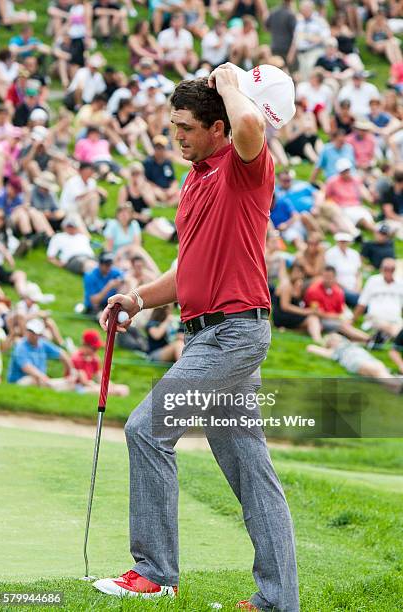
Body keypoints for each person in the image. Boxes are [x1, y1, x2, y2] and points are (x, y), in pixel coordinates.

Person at [95, 68, 299, 610]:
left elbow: (252, 122)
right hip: (212, 334)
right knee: (252, 473)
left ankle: (156, 574)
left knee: (145, 428)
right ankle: (278, 601)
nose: (177, 136)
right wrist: (138, 297)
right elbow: (189, 267)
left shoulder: (244, 168)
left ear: (218, 127)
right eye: (172, 127)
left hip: (233, 335)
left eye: (186, 127)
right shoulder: (195, 179)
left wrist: (231, 81)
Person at [307, 333, 402, 391]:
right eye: (333, 339)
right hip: (357, 362)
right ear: (330, 343)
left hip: (370, 361)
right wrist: (323, 343)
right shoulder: (333, 351)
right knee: (377, 370)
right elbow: (310, 348)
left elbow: (370, 342)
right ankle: (398, 384)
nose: (338, 339)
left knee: (379, 375)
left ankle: (397, 387)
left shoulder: (352, 344)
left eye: (339, 337)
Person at [7, 318, 75, 390]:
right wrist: (45, 379)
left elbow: (62, 354)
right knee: (32, 380)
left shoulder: (43, 343)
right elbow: (26, 368)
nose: (31, 334)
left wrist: (71, 371)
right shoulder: (20, 346)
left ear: (40, 334)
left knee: (69, 383)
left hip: (41, 380)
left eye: (34, 332)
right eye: (30, 331)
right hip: (20, 381)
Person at [304, 265, 369, 340]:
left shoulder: (338, 292)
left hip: (332, 320)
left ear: (335, 278)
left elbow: (340, 311)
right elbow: (316, 312)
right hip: (319, 319)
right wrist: (337, 317)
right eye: (325, 277)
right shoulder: (313, 290)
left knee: (345, 325)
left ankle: (368, 339)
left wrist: (338, 317)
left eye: (330, 277)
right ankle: (368, 339)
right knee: (341, 325)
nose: (327, 280)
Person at [272, 262, 323, 342]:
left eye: (300, 272)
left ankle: (287, 330)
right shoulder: (286, 285)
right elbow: (285, 306)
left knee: (317, 325)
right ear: (291, 272)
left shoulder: (298, 286)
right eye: (295, 272)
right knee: (312, 319)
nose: (298, 274)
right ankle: (318, 340)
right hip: (282, 316)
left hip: (291, 315)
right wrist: (305, 312)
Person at [354, 258, 403, 338]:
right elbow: (362, 303)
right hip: (375, 318)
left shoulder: (401, 283)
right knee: (389, 327)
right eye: (386, 269)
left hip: (395, 319)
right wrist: (353, 320)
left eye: (392, 269)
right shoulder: (373, 281)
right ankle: (395, 337)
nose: (389, 271)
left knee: (396, 327)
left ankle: (387, 337)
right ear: (381, 269)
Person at [72, 328, 129, 396]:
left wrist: (111, 386)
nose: (96, 351)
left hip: (90, 386)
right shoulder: (77, 357)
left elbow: (100, 377)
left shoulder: (94, 358)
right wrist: (97, 386)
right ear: (85, 345)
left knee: (124, 389)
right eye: (94, 348)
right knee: (99, 390)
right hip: (77, 387)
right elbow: (84, 381)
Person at [325, 232, 362, 307]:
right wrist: (346, 289)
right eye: (341, 241)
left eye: (345, 241)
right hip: (339, 287)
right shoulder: (330, 254)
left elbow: (358, 273)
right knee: (355, 298)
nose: (343, 243)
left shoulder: (354, 254)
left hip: (354, 287)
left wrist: (358, 287)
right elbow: (331, 276)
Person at [157, 12, 198, 79]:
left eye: (179, 22)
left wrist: (187, 57)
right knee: (176, 61)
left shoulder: (187, 34)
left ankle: (193, 72)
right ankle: (186, 76)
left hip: (183, 56)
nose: (177, 24)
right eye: (175, 22)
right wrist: (169, 48)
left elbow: (189, 50)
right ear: (171, 22)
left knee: (194, 56)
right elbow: (160, 50)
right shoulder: (163, 34)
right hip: (169, 58)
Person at [143, 135, 179, 205]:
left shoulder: (167, 162)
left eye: (162, 148)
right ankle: (163, 204)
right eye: (157, 148)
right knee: (149, 192)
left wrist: (171, 189)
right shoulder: (148, 162)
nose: (159, 150)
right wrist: (158, 189)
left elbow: (173, 180)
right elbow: (145, 180)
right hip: (155, 189)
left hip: (167, 191)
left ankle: (167, 204)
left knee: (181, 193)